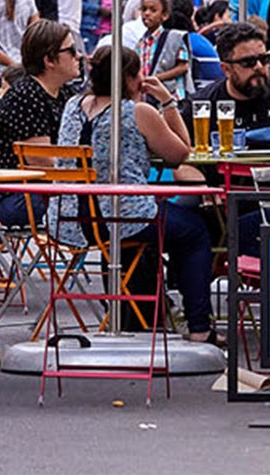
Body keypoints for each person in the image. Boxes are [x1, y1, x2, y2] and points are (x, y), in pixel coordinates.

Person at [53, 46, 217, 343]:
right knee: (194, 232)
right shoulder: (138, 111)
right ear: (129, 78)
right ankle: (198, 327)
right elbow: (181, 153)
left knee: (165, 228)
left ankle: (145, 316)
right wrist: (167, 101)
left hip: (71, 218)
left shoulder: (72, 106)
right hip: (120, 217)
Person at [0, 20, 81, 220]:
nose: (79, 55)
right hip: (19, 196)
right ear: (50, 60)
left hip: (50, 190)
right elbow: (41, 161)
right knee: (105, 205)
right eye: (72, 50)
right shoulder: (26, 96)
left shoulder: (66, 93)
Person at [195, 20, 270, 148]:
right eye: (247, 62)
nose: (258, 67)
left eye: (264, 59)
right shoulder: (204, 103)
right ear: (226, 70)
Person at [134, 0, 192, 102]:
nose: (147, 13)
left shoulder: (175, 38)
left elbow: (183, 67)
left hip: (172, 95)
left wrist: (156, 78)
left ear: (164, 16)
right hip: (149, 97)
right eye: (144, 9)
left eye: (153, 10)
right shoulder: (141, 42)